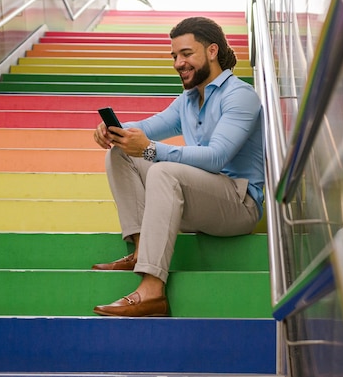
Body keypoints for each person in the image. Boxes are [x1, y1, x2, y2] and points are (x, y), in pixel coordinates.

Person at [91, 17, 264, 317]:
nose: (178, 63)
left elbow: (216, 157)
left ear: (212, 51)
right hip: (200, 197)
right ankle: (142, 250)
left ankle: (152, 290)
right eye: (174, 56)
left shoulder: (240, 96)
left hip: (239, 204)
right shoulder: (187, 100)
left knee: (160, 167)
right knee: (121, 154)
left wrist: (149, 148)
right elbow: (147, 126)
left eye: (186, 54)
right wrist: (113, 131)